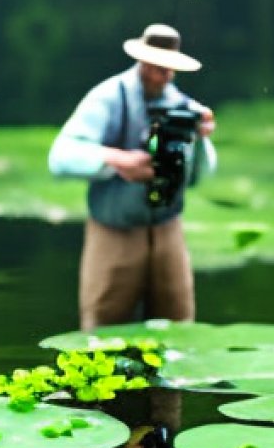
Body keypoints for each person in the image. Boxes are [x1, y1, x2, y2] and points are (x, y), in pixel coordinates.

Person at [48, 23, 216, 331]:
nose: (160, 76)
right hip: (115, 230)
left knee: (178, 327)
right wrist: (119, 161)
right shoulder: (109, 98)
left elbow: (200, 176)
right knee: (104, 327)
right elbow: (60, 156)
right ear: (141, 60)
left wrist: (201, 139)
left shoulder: (182, 107)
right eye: (154, 66)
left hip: (167, 229)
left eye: (167, 69)